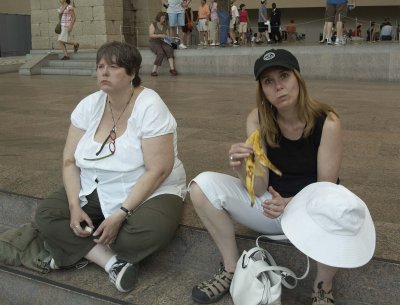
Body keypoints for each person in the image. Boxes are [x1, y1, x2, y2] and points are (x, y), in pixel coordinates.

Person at [189, 48, 344, 304]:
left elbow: (325, 189)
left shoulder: (327, 122)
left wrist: (290, 202)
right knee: (201, 186)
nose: (278, 87)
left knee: (339, 205)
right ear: (262, 89)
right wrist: (241, 167)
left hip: (311, 212)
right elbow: (259, 187)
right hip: (270, 208)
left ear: (298, 78)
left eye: (284, 76)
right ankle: (230, 269)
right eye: (268, 82)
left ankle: (322, 289)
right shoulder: (258, 119)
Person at [34, 41, 187, 293]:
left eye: (113, 67)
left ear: (132, 73)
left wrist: (121, 214)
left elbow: (158, 169)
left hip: (152, 187)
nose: (104, 72)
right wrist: (74, 206)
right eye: (100, 66)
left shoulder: (150, 105)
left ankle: (64, 250)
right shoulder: (89, 105)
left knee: (136, 236)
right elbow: (69, 161)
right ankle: (110, 262)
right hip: (97, 182)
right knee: (47, 214)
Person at [149, 12, 179, 76]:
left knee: (169, 49)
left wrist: (172, 40)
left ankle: (172, 69)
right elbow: (151, 35)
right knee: (160, 53)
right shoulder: (153, 24)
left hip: (163, 42)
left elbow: (167, 36)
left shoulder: (165, 26)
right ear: (159, 17)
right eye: (162, 18)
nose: (164, 19)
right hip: (154, 42)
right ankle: (153, 71)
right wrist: (160, 35)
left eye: (164, 18)